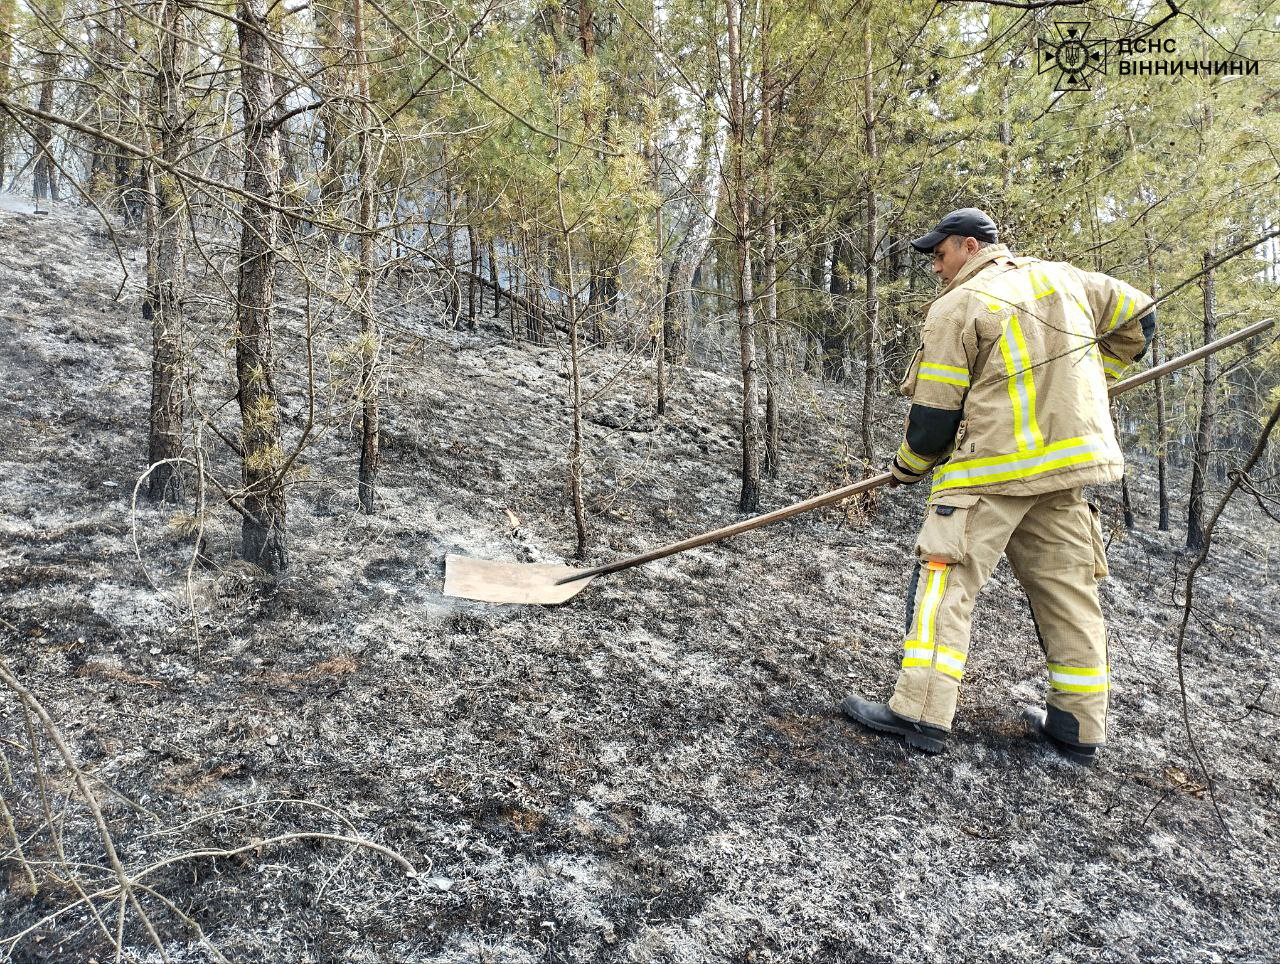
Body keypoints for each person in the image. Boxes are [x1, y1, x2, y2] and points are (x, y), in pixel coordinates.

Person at [840, 207, 1155, 763]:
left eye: (939, 256)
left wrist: (908, 468)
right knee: (1069, 594)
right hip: (1064, 471)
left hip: (988, 471)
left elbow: (933, 421)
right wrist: (1096, 383)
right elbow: (1140, 317)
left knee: (944, 582)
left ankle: (919, 712)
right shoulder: (1063, 277)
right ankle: (1077, 726)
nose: (936, 270)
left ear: (967, 246)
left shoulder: (959, 305)